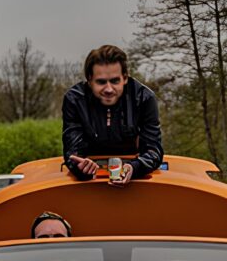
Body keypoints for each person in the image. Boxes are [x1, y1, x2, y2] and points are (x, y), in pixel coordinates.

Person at [61, 44, 163, 184]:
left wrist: (134, 168)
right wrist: (80, 167)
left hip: (133, 171)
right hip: (89, 174)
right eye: (101, 82)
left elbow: (153, 150)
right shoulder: (74, 100)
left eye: (115, 81)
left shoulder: (144, 98)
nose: (109, 89)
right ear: (89, 80)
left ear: (125, 78)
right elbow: (73, 151)